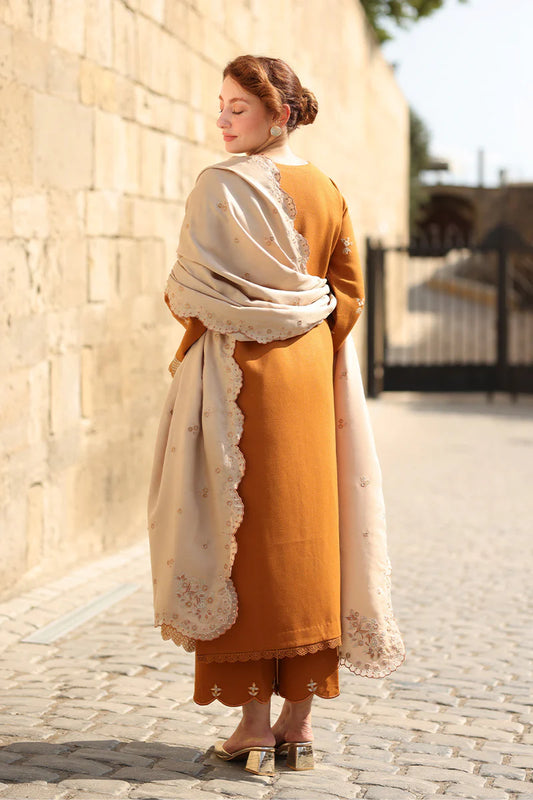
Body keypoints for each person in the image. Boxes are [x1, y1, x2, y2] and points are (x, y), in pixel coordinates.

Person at [148, 55, 405, 776]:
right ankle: (300, 725)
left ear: (279, 114)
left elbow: (188, 292)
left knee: (241, 539)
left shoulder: (220, 185)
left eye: (238, 108)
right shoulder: (327, 189)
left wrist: (242, 319)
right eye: (221, 105)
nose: (222, 120)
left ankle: (254, 728)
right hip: (309, 377)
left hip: (236, 378)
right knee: (309, 534)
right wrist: (304, 335)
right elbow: (347, 294)